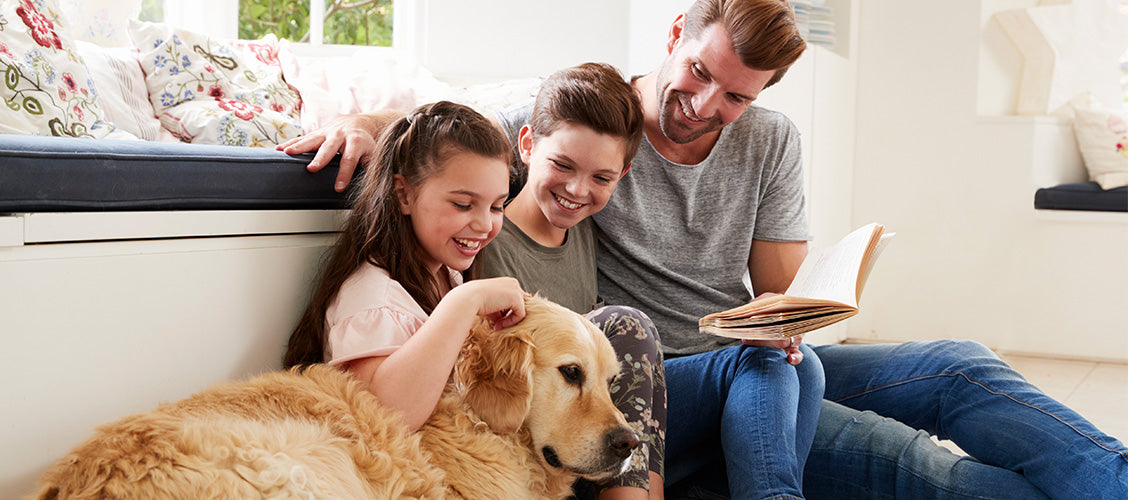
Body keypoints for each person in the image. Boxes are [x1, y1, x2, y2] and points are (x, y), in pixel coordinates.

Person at [279, 1, 1128, 498]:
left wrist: (800, 311)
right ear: (677, 30)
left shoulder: (769, 143)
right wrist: (359, 124)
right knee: (914, 467)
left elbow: (780, 290)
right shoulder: (578, 122)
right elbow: (439, 129)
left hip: (739, 353)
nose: (702, 105)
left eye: (734, 97)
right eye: (697, 75)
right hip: (653, 377)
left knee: (957, 365)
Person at [477, 62, 667, 500]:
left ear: (623, 174)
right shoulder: (487, 241)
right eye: (562, 165)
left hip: (593, 435)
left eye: (601, 177)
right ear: (526, 145)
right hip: (529, 437)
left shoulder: (584, 228)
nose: (578, 190)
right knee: (626, 323)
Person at [282, 100, 527, 436]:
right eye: (463, 204)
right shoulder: (375, 301)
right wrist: (465, 301)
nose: (485, 224)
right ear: (404, 194)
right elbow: (389, 419)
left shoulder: (445, 275)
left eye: (497, 206)